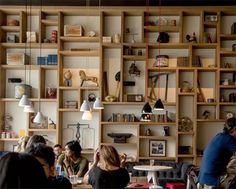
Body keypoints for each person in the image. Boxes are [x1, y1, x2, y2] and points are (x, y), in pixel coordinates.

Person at [198, 118, 236, 188]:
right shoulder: (228, 139)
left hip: (203, 179)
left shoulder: (219, 136)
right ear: (234, 129)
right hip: (213, 180)